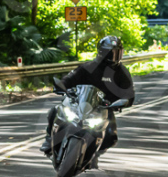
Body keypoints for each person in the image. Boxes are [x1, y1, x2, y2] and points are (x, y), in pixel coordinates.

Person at [39, 35, 135, 167]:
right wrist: (62, 86)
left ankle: (94, 154)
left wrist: (124, 101)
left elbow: (129, 93)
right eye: (111, 53)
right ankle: (49, 139)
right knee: (54, 111)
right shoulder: (88, 67)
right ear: (102, 52)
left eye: (117, 53)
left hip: (103, 108)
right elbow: (70, 79)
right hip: (79, 103)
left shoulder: (122, 72)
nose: (114, 56)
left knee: (111, 137)